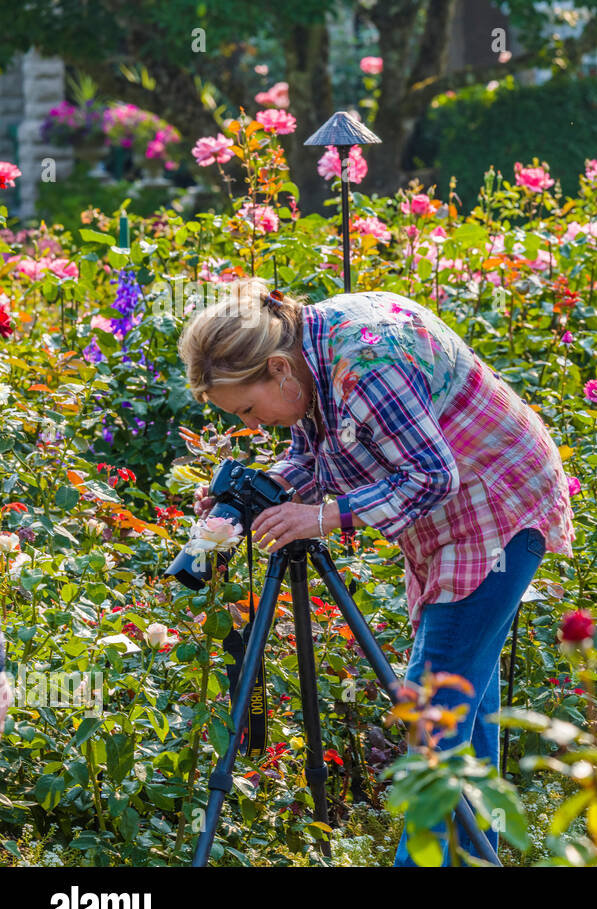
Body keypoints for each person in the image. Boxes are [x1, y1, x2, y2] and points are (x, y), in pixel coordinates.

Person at [179, 277, 575, 864]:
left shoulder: (367, 360)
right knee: (462, 712)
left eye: (247, 409)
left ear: (279, 371)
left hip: (496, 508)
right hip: (447, 521)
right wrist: (264, 493)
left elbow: (431, 476)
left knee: (432, 719)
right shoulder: (309, 354)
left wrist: (321, 517)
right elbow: (321, 454)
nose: (256, 426)